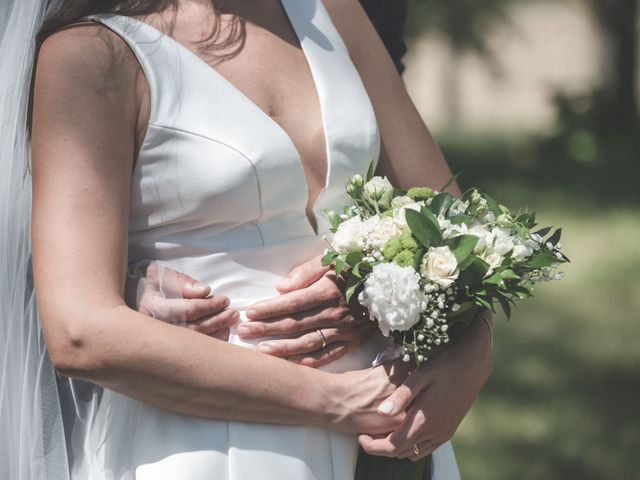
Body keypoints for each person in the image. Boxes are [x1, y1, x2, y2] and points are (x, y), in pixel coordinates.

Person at [0, 0, 491, 479]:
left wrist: (471, 353)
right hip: (212, 439)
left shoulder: (331, 12)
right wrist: (342, 402)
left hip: (395, 429)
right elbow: (80, 331)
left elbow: (453, 220)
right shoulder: (91, 51)